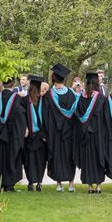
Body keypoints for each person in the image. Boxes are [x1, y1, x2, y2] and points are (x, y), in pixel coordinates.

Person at [43, 64, 80, 192]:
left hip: (55, 133)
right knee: (70, 156)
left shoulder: (49, 95)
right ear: (64, 79)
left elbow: (46, 116)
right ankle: (71, 184)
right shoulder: (72, 93)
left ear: (53, 78)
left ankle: (59, 184)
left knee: (57, 156)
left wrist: (46, 133)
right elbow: (76, 111)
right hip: (70, 132)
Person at [74, 72, 107, 193]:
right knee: (98, 158)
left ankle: (90, 187)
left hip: (85, 135)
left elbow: (77, 115)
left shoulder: (81, 98)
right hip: (98, 134)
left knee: (87, 159)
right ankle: (98, 186)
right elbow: (105, 118)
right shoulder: (101, 98)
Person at [0, 77, 27, 191]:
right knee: (11, 157)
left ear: (2, 82)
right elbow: (21, 118)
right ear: (13, 83)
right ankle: (9, 185)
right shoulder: (17, 99)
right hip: (12, 136)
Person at [23, 75, 47, 191]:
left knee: (30, 161)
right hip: (40, 136)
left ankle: (30, 183)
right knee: (40, 161)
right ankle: (39, 183)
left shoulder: (24, 100)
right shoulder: (43, 101)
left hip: (30, 136)